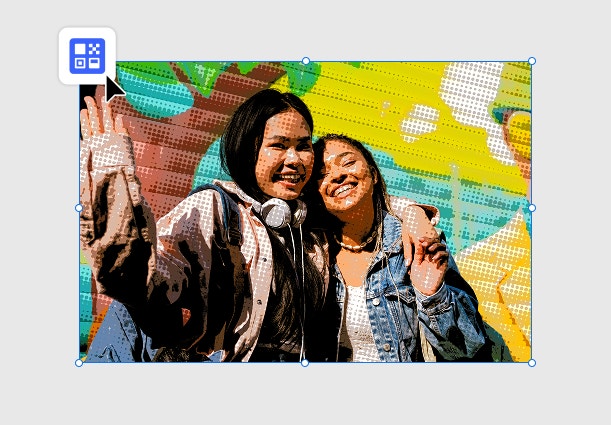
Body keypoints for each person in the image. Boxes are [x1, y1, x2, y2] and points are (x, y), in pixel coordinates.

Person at [80, 89, 440, 362]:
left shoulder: (307, 224)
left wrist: (412, 213)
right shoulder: (214, 210)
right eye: (278, 145)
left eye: (303, 146)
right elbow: (138, 276)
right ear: (248, 150)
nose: (294, 159)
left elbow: (356, 195)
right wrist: (112, 182)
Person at [305, 134, 490, 362]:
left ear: (373, 174)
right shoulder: (309, 254)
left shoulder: (416, 243)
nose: (337, 175)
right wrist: (413, 209)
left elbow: (466, 349)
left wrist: (433, 297)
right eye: (322, 174)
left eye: (348, 162)